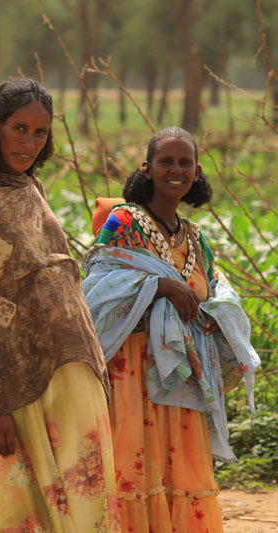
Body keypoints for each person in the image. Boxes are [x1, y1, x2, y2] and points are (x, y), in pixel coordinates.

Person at [0, 79, 119, 531]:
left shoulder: (28, 186)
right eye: (20, 129)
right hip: (12, 382)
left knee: (85, 503)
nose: (29, 143)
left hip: (67, 369)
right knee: (18, 508)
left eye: (40, 133)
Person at [83, 126, 260, 533]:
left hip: (183, 377)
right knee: (134, 470)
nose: (175, 170)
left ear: (197, 172)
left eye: (185, 163)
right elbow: (94, 283)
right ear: (147, 168)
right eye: (166, 161)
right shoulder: (123, 221)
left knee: (179, 472)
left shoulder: (195, 238)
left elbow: (214, 286)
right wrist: (159, 285)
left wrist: (217, 311)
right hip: (131, 375)